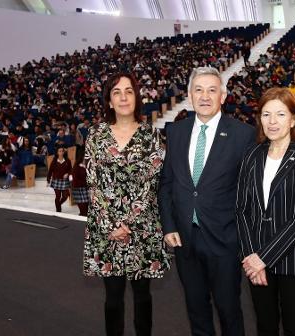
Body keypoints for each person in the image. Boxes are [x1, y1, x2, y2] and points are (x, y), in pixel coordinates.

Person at [158, 67, 255, 336]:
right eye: (198, 90)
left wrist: (242, 238)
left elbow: (250, 193)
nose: (205, 96)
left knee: (229, 310)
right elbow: (167, 183)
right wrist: (168, 226)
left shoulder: (243, 134)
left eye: (212, 90)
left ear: (223, 96)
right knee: (196, 310)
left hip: (224, 241)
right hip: (185, 240)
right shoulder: (175, 131)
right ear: (189, 96)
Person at [83, 72, 170, 336]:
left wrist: (128, 223)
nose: (123, 97)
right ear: (109, 101)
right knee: (112, 298)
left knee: (143, 296)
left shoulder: (152, 136)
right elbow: (93, 183)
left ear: (137, 97)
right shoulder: (95, 135)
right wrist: (111, 225)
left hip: (141, 227)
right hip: (106, 227)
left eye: (129, 91)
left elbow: (151, 185)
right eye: (117, 92)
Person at [235, 87, 295, 336]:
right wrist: (251, 257)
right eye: (266, 114)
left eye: (280, 114)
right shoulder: (252, 155)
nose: (272, 122)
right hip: (256, 258)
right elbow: (242, 210)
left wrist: (263, 257)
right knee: (265, 326)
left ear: (294, 118)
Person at [47, 146, 72, 212]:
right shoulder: (54, 161)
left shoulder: (67, 160)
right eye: (59, 151)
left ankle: (58, 204)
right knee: (58, 196)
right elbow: (50, 171)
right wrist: (48, 179)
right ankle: (58, 210)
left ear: (64, 152)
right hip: (56, 180)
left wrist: (68, 174)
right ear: (57, 152)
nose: (61, 152)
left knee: (65, 196)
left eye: (62, 151)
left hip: (64, 181)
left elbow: (70, 170)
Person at [70, 148, 89, 216]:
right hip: (79, 189)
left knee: (87, 210)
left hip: (87, 189)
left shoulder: (90, 165)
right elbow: (75, 180)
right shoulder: (77, 167)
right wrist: (87, 183)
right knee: (83, 210)